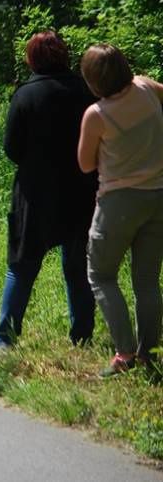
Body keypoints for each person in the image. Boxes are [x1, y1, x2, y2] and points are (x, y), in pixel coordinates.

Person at [0, 31, 97, 352]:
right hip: (82, 190)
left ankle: (5, 338)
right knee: (78, 270)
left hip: (36, 194)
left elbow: (11, 147)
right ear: (65, 56)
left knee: (21, 267)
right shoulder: (85, 90)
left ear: (31, 59)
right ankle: (82, 338)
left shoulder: (26, 95)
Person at [78, 43, 163, 378]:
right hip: (157, 196)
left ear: (93, 80)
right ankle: (149, 353)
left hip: (118, 202)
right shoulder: (146, 88)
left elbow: (85, 164)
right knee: (146, 280)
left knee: (100, 275)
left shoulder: (97, 115)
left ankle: (124, 353)